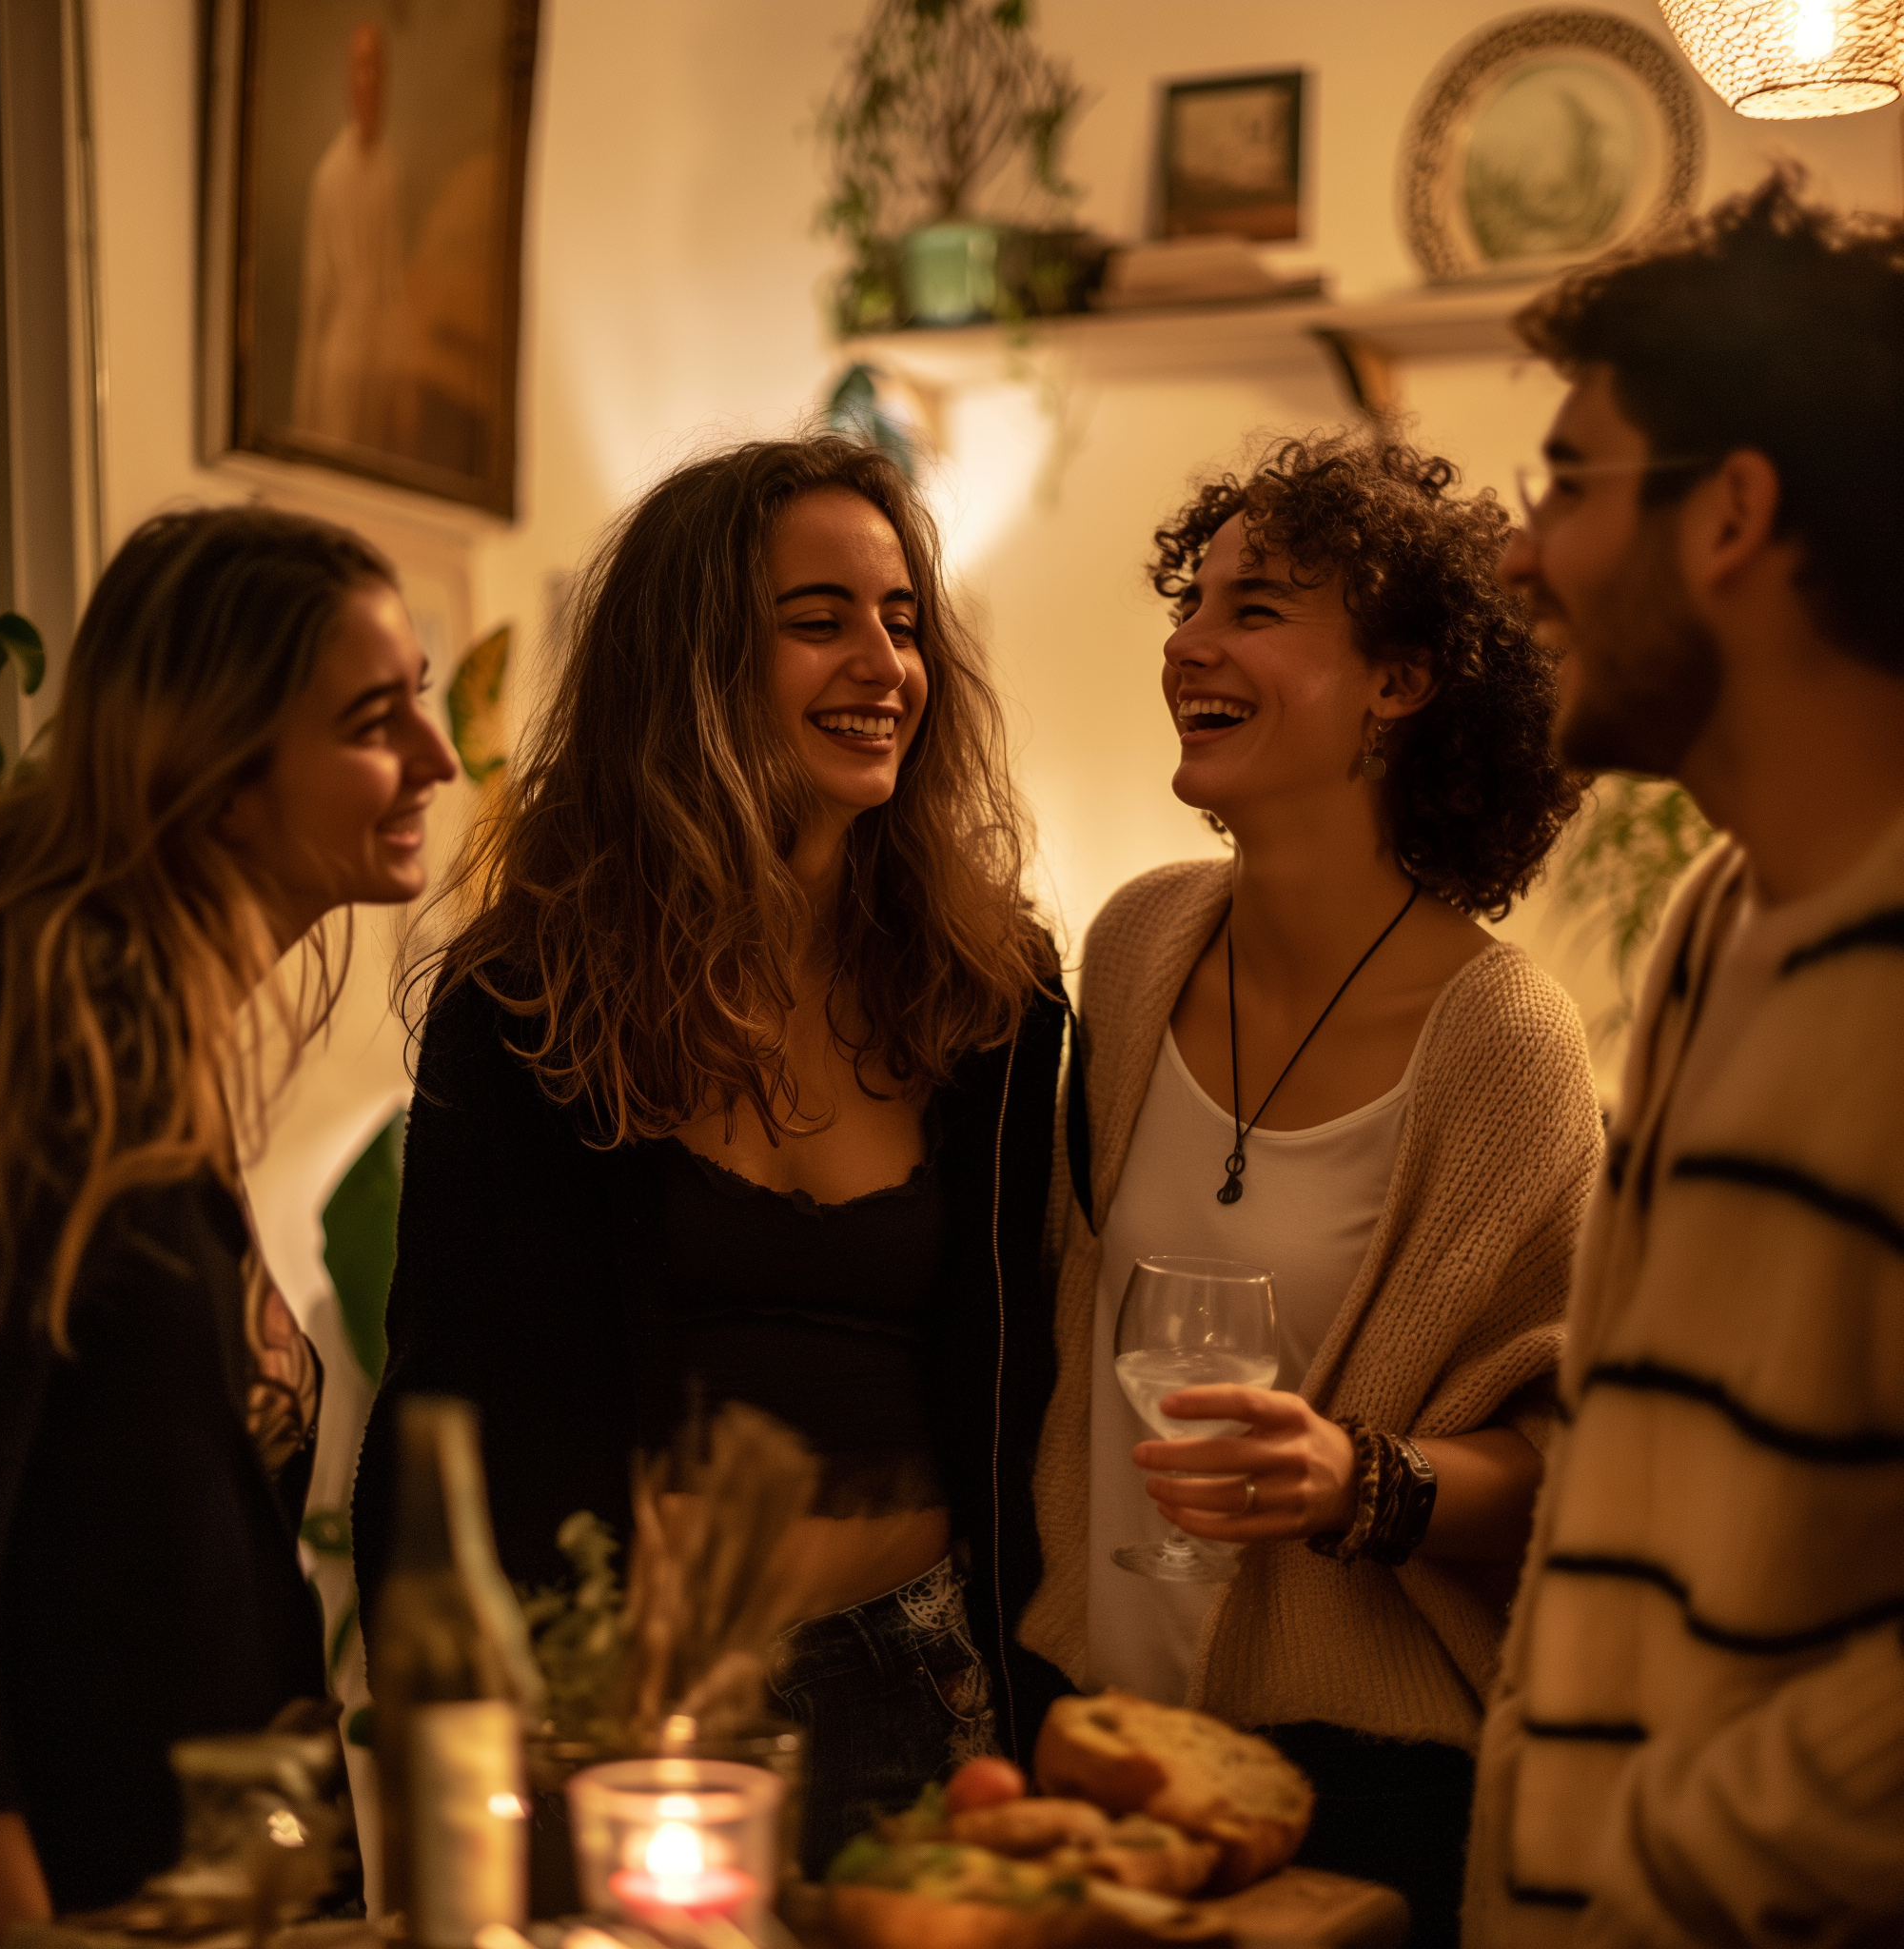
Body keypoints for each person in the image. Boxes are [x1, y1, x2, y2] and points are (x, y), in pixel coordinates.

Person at [351, 436, 1067, 1873]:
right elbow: (442, 1403)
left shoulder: (993, 994)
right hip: (623, 1715)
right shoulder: (532, 1002)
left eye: (903, 622)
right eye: (819, 622)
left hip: (921, 1690)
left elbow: (1025, 1366)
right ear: (691, 664)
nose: (882, 664)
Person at [1020, 429, 1602, 1947]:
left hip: (1359, 1779)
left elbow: (1574, 1458)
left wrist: (1364, 1480)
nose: (1187, 644)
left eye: (1256, 608)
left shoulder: (1507, 1048)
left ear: (1401, 683)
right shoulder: (1139, 947)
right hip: (1096, 1730)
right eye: (1194, 600)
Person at [1464, 176, 1904, 1946]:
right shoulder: (1717, 919)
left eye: (1567, 483)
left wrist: (1689, 1847)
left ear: (1731, 512)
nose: (1515, 553)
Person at [0, 507, 457, 1939]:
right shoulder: (47, 1033)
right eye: (376, 719)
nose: (437, 758)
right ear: (219, 770)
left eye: (421, 696)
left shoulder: (157, 1029)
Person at [293, 22, 405, 450]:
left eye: (378, 69)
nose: (370, 81)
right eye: (361, 68)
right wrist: (306, 411)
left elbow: (392, 281)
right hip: (338, 365)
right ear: (348, 81)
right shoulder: (329, 177)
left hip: (377, 364)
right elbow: (316, 294)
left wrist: (396, 374)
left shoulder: (389, 175)